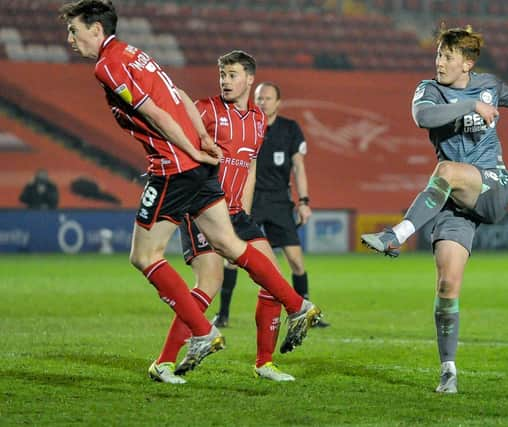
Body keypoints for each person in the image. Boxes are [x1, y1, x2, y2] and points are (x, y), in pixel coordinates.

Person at [59, 0, 321, 383]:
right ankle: (297, 306)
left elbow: (157, 114)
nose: (70, 38)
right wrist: (199, 139)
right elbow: (178, 94)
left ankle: (204, 332)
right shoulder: (134, 53)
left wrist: (190, 147)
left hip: (171, 170)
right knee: (230, 248)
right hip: (198, 172)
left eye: (74, 30)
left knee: (144, 256)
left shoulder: (108, 64)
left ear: (96, 30)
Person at [361, 25, 508, 394]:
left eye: (447, 57)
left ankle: (396, 235)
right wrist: (470, 105)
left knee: (446, 170)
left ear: (467, 63)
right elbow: (424, 118)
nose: (440, 62)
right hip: (453, 199)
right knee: (447, 284)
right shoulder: (428, 90)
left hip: (493, 183)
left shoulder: (489, 85)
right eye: (438, 55)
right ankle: (448, 370)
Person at [153, 51, 314, 383]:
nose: (225, 81)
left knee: (270, 275)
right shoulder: (206, 109)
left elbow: (250, 164)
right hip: (202, 210)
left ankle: (264, 362)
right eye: (222, 75)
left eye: (232, 75)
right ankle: (164, 362)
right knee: (208, 284)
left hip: (237, 214)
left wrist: (245, 210)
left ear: (249, 79)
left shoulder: (257, 119)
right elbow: (177, 132)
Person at [212, 81, 330, 329]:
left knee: (296, 261)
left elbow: (299, 167)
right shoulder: (246, 126)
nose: (262, 102)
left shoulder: (290, 129)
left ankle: (305, 311)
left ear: (278, 102)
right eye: (259, 98)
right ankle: (222, 314)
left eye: (267, 98)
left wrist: (304, 201)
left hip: (279, 202)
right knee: (232, 259)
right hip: (250, 200)